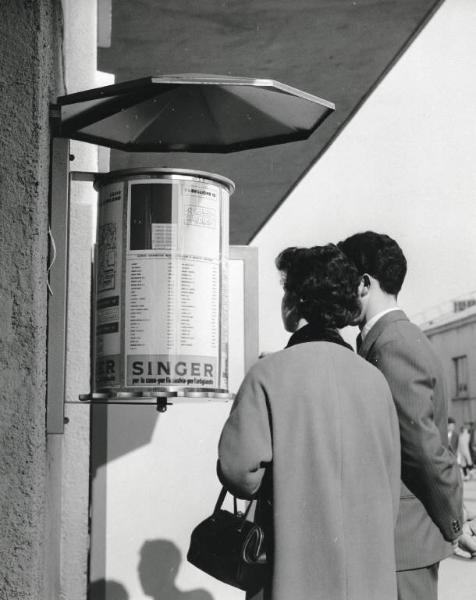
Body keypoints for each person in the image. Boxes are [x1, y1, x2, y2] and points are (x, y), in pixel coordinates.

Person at [218, 244, 401, 600]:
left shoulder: (267, 374)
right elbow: (390, 482)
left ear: (295, 301)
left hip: (292, 572)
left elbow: (237, 471)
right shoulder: (374, 380)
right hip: (368, 578)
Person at [338, 231, 465, 600]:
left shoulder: (391, 347)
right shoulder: (396, 339)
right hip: (401, 543)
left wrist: (454, 523)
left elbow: (424, 449)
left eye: (345, 280)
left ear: (364, 283)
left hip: (403, 544)